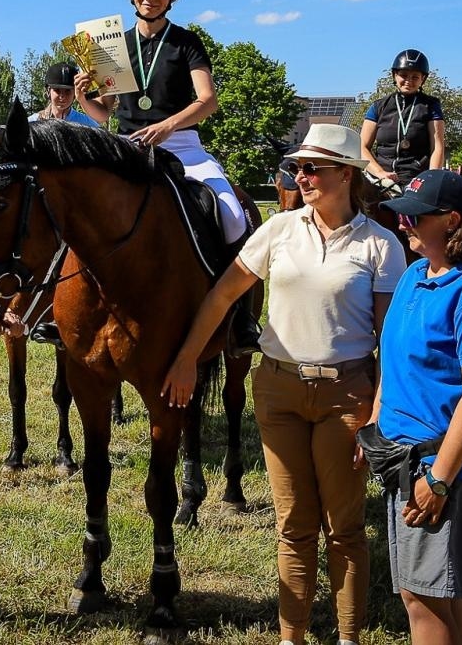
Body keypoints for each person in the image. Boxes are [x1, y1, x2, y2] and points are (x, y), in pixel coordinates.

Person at [162, 124, 405, 645]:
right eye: (297, 168)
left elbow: (391, 339)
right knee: (293, 525)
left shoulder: (381, 246)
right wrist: (186, 358)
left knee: (343, 529)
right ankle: (289, 636)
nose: (301, 176)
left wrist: (380, 407)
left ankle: (347, 636)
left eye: (312, 168)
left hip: (347, 396)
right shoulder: (279, 229)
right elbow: (222, 296)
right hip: (278, 390)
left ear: (346, 174)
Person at [73, 0, 257, 351]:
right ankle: (55, 312)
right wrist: (82, 97)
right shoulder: (110, 46)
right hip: (125, 147)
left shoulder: (188, 42)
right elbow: (105, 115)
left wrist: (168, 124)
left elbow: (207, 101)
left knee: (231, 214)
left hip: (181, 146)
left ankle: (241, 317)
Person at [377, 169, 462, 645]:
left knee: (424, 596)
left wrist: (438, 478)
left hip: (437, 462)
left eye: (416, 217)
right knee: (444, 590)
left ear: (452, 220)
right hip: (400, 454)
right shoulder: (416, 275)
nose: (402, 224)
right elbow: (391, 361)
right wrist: (375, 429)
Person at [360, 49, 446, 190]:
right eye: (404, 75)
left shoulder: (431, 106)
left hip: (417, 177)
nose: (408, 81)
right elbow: (361, 147)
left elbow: (437, 147)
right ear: (394, 75)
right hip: (380, 177)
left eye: (415, 77)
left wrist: (431, 179)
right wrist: (380, 173)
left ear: (422, 79)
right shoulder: (378, 107)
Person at [30, 63, 101, 127]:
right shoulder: (32, 123)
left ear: (74, 93)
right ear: (48, 92)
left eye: (68, 91)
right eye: (57, 90)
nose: (62, 96)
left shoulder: (88, 125)